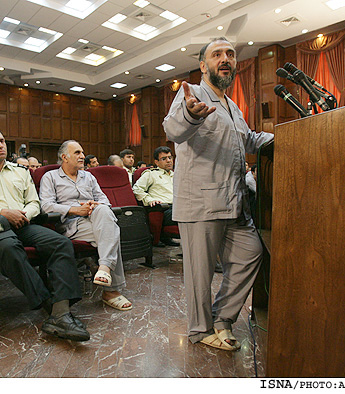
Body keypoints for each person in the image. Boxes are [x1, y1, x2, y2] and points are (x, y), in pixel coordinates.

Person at [163, 37, 274, 351]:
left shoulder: (233, 106)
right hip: (201, 202)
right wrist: (192, 115)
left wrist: (285, 138)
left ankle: (222, 318)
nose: (225, 59)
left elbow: (249, 139)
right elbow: (173, 129)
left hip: (234, 202)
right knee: (200, 275)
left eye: (230, 54)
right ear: (203, 65)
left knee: (251, 251)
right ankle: (201, 330)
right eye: (217, 54)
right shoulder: (193, 94)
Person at [0, 127, 90, 342]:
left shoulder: (20, 171)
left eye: (2, 141)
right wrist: (2, 212)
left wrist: (23, 214)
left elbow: (34, 202)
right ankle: (51, 306)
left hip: (24, 223)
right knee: (9, 248)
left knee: (61, 243)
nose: (0, 145)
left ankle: (61, 310)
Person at [39, 140, 132, 311]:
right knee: (111, 231)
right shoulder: (50, 177)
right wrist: (74, 210)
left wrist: (94, 205)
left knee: (105, 214)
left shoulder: (88, 176)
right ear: (64, 157)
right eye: (77, 153)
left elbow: (104, 199)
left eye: (82, 152)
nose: (82, 156)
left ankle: (103, 267)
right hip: (70, 224)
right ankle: (111, 291)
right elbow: (46, 205)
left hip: (94, 219)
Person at [132, 146, 179, 246]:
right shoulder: (151, 174)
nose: (168, 161)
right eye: (164, 159)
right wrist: (149, 200)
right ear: (157, 162)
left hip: (178, 207)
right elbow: (136, 189)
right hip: (164, 209)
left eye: (170, 158)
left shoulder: (175, 175)